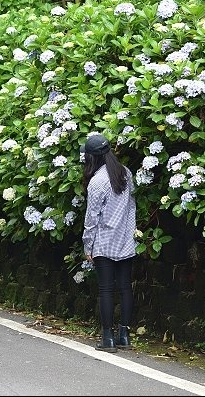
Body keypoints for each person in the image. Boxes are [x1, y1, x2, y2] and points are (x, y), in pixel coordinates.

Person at [81, 134, 137, 352]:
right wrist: (130, 232)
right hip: (125, 238)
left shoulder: (97, 181)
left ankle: (108, 339)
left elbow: (91, 218)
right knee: (125, 288)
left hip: (104, 240)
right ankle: (124, 336)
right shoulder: (125, 173)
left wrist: (88, 246)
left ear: (91, 158)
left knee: (105, 289)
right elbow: (132, 206)